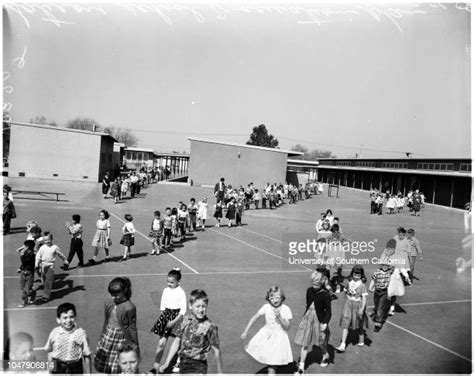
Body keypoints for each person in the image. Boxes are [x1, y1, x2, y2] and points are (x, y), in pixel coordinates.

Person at [159, 289, 223, 374]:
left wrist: (220, 372)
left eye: (203, 306)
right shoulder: (185, 320)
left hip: (199, 365)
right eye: (197, 306)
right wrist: (167, 362)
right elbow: (177, 341)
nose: (201, 310)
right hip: (183, 363)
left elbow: (217, 351)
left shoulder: (210, 326)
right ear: (190, 306)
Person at [241, 286, 293, 374]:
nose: (275, 300)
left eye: (277, 297)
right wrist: (246, 331)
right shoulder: (266, 307)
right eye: (272, 298)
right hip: (266, 337)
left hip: (279, 339)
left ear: (282, 297)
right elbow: (255, 317)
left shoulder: (286, 309)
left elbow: (287, 327)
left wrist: (279, 317)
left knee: (272, 364)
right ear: (268, 299)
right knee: (271, 363)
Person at [94, 277, 138, 374]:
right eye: (111, 294)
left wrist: (135, 345)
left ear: (124, 291)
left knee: (119, 365)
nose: (113, 297)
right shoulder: (108, 302)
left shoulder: (129, 307)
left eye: (116, 295)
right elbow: (106, 320)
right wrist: (102, 336)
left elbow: (132, 328)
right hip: (108, 336)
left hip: (121, 339)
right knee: (106, 364)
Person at [150, 268, 187, 373]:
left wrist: (173, 322)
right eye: (168, 281)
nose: (169, 284)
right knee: (161, 343)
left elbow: (183, 311)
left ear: (178, 282)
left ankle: (177, 362)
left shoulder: (181, 292)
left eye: (172, 282)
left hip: (177, 319)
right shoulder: (166, 290)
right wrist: (164, 319)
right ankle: (155, 367)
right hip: (166, 317)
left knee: (178, 342)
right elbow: (162, 306)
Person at [294, 271, 332, 372]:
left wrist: (325, 322)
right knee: (304, 342)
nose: (314, 286)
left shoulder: (325, 295)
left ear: (322, 283)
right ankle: (301, 366)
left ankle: (325, 355)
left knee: (321, 342)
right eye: (313, 284)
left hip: (319, 320)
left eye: (317, 284)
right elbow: (308, 304)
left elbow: (328, 311)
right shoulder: (309, 291)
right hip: (308, 318)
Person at [44, 302, 92, 374]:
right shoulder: (54, 332)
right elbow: (50, 352)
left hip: (75, 368)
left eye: (71, 317)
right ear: (58, 320)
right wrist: (49, 371)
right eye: (65, 318)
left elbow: (87, 355)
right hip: (58, 367)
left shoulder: (80, 333)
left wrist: (89, 374)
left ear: (75, 317)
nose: (68, 320)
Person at [335, 266, 369, 352]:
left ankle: (361, 338)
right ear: (352, 274)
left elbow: (364, 298)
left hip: (358, 305)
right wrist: (347, 300)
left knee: (359, 323)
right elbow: (346, 291)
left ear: (361, 275)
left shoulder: (362, 285)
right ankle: (343, 344)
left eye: (359, 275)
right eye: (355, 274)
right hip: (348, 304)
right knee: (345, 322)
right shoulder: (349, 282)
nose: (356, 276)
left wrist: (362, 308)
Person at [380, 239, 411, 316]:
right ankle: (380, 308)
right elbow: (381, 264)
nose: (389, 250)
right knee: (383, 293)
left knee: (393, 294)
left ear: (394, 249)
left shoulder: (397, 257)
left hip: (394, 278)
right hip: (385, 277)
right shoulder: (384, 254)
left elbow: (401, 267)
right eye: (388, 248)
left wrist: (406, 276)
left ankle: (392, 308)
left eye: (391, 249)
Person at [35, 232, 69, 302]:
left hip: (50, 266)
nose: (47, 241)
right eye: (45, 240)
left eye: (48, 239)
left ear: (52, 239)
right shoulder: (42, 248)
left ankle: (46, 296)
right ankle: (48, 290)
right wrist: (36, 264)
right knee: (44, 280)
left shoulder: (55, 247)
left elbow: (60, 254)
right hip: (43, 265)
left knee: (48, 281)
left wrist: (65, 260)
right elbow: (38, 256)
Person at [368, 260, 393, 332]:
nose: (385, 266)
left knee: (380, 307)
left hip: (384, 292)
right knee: (376, 304)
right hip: (377, 291)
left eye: (387, 265)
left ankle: (378, 323)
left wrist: (389, 260)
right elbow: (373, 280)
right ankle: (374, 310)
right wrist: (370, 287)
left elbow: (395, 265)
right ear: (381, 265)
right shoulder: (377, 271)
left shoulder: (390, 272)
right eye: (383, 265)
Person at [18, 240, 36, 307]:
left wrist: (22, 256)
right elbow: (23, 263)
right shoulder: (25, 253)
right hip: (23, 272)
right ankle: (32, 293)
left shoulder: (32, 255)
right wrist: (20, 268)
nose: (23, 247)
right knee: (23, 287)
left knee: (26, 289)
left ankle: (23, 301)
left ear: (28, 247)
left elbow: (26, 262)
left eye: (25, 246)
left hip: (29, 273)